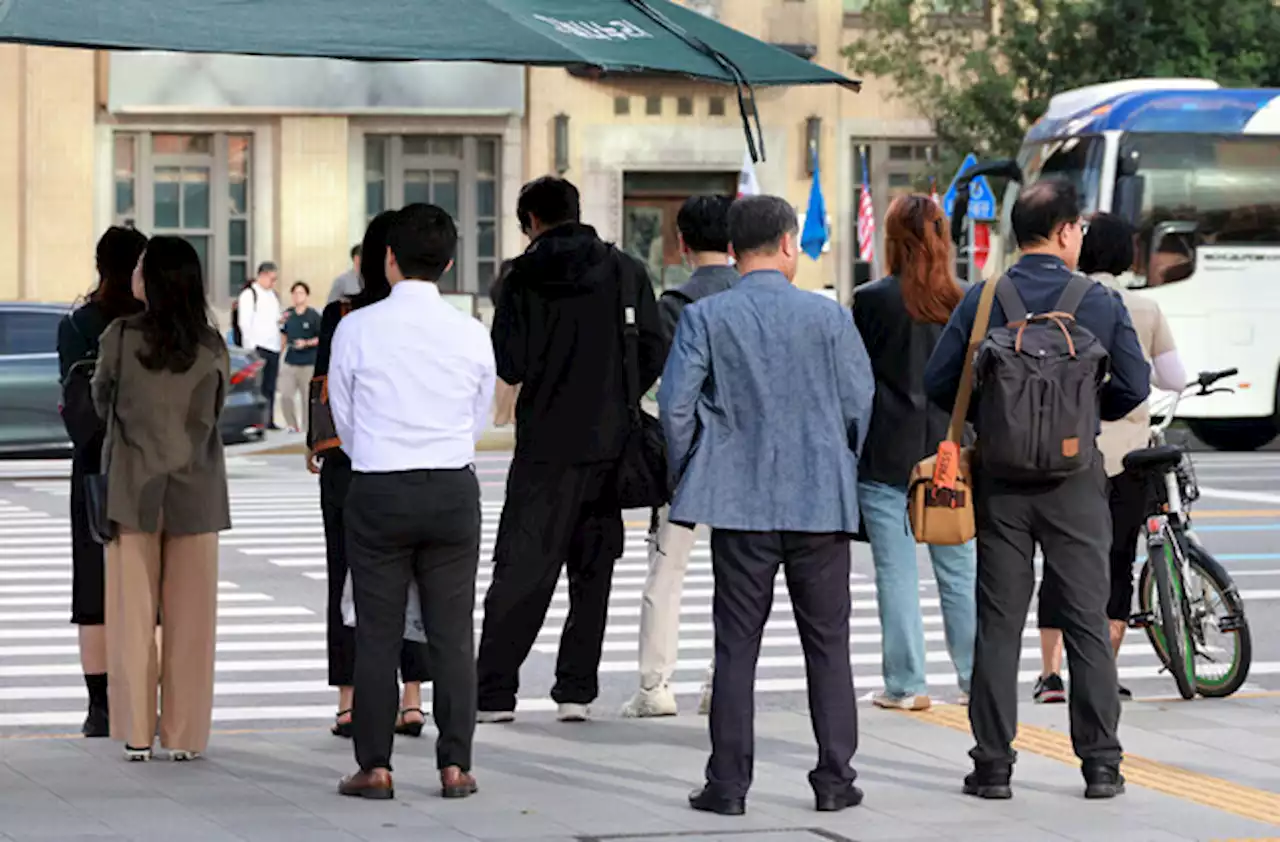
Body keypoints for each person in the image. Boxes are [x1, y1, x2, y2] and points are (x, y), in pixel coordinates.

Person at [924, 179, 1149, 800]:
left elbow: (941, 381)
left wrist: (1000, 420)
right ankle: (1101, 764)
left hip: (1001, 481)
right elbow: (1135, 384)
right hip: (1076, 483)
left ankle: (993, 765)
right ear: (1068, 231)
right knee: (1084, 620)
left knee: (999, 623)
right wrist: (1077, 415)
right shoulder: (1098, 301)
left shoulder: (985, 295)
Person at [660, 195, 874, 816]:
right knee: (829, 644)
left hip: (739, 501)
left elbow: (675, 408)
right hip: (820, 502)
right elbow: (860, 404)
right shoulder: (829, 317)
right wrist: (840, 461)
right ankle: (835, 779)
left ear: (732, 250)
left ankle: (728, 786)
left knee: (735, 646)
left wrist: (694, 467)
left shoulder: (706, 316)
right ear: (787, 245)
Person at [476, 177, 665, 724]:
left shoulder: (520, 278)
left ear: (531, 221)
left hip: (544, 446)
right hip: (611, 443)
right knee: (593, 573)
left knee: (521, 569)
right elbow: (652, 348)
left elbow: (508, 361)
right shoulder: (626, 269)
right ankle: (576, 692)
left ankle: (493, 694)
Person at [328, 203, 495, 800]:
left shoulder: (357, 328)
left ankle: (374, 766)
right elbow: (479, 417)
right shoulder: (472, 331)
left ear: (389, 260)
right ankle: (456, 766)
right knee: (452, 632)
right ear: (448, 263)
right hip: (452, 487)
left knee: (377, 631)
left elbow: (343, 421)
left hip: (378, 488)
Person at [1035, 212, 1186, 704]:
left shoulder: (1062, 301)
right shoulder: (1143, 308)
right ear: (1125, 253)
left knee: (1062, 559)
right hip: (1129, 459)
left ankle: (1051, 673)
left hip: (1069, 449)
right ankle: (1102, 669)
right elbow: (1173, 379)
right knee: (1118, 558)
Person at [93, 235, 231, 762]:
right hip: (196, 489)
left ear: (150, 279)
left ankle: (135, 732)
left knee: (132, 615)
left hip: (133, 489)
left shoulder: (121, 338)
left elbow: (101, 399)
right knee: (192, 620)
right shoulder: (211, 344)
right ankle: (185, 735)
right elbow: (215, 412)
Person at [310, 211, 434, 742]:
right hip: (411, 461)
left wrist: (321, 447)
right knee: (414, 578)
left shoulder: (342, 315)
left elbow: (324, 387)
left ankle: (350, 701)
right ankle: (412, 699)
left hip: (348, 465)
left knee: (347, 576)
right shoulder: (426, 318)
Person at [853, 195, 976, 712]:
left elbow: (855, 380)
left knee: (897, 575)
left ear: (893, 241)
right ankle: (976, 679)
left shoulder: (872, 300)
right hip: (948, 456)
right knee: (960, 571)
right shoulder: (965, 300)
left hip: (886, 455)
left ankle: (907, 685)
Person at [621, 194, 737, 719]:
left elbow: (666, 393)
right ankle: (723, 684)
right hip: (747, 463)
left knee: (665, 574)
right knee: (736, 580)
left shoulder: (675, 306)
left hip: (687, 461)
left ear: (683, 244)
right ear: (735, 244)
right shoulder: (753, 299)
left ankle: (655, 687)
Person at [56, 226, 147, 738]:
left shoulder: (77, 324)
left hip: (93, 465)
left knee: (92, 589)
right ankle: (141, 695)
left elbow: (72, 398)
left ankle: (99, 708)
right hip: (149, 468)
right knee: (147, 585)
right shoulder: (155, 325)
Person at [237, 261, 283, 429]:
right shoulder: (249, 295)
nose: (273, 282)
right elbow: (244, 323)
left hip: (274, 346)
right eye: (272, 278)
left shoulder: (273, 296)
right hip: (258, 347)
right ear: (262, 275)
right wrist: (250, 348)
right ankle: (256, 421)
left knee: (270, 386)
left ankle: (268, 419)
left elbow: (275, 319)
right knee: (258, 386)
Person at [278, 281, 322, 434]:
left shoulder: (314, 316)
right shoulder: (288, 314)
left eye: (301, 293)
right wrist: (280, 352)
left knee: (307, 398)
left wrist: (306, 343)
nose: (298, 296)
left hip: (308, 362)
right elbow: (283, 334)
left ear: (307, 296)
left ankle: (307, 428)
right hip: (291, 360)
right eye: (295, 293)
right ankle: (291, 424)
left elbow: (321, 337)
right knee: (286, 395)